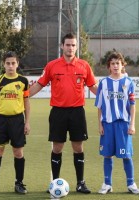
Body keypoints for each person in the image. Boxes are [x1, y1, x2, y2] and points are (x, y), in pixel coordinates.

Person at [29, 33, 97, 194]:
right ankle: (54, 183)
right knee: (57, 148)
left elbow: (94, 87)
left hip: (77, 112)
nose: (71, 48)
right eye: (68, 45)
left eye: (73, 45)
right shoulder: (52, 65)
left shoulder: (84, 66)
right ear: (62, 46)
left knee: (78, 147)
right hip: (58, 112)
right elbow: (39, 85)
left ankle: (80, 183)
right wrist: (23, 95)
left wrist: (108, 97)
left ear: (76, 47)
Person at [95, 52, 139, 195]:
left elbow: (132, 105)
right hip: (108, 124)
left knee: (126, 155)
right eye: (113, 63)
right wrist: (100, 124)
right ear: (109, 66)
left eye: (118, 63)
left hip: (123, 124)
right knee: (107, 155)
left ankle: (131, 183)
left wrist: (132, 124)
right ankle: (107, 184)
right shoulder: (103, 83)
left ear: (122, 65)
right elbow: (100, 106)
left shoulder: (128, 83)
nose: (115, 66)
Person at [0, 51, 30, 195]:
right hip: (1, 120)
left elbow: (26, 103)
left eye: (13, 63)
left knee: (18, 152)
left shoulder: (23, 81)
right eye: (8, 63)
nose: (11, 66)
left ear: (17, 64)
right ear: (3, 64)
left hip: (17, 120)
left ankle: (19, 184)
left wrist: (27, 122)